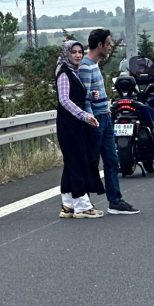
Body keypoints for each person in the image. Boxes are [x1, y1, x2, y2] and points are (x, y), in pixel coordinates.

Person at [78, 28, 139, 215]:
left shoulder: (94, 65)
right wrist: (91, 119)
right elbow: (84, 97)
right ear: (100, 45)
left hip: (105, 116)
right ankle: (83, 200)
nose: (110, 47)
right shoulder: (86, 66)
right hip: (96, 119)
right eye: (108, 44)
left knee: (112, 160)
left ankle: (115, 200)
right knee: (92, 161)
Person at [55, 40, 104, 218]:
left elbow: (76, 96)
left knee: (71, 163)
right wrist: (84, 115)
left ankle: (68, 205)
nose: (77, 55)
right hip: (69, 125)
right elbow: (65, 100)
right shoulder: (64, 73)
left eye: (80, 52)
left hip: (75, 125)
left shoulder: (73, 73)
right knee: (78, 163)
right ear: (66, 53)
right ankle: (82, 205)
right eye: (73, 52)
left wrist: (91, 95)